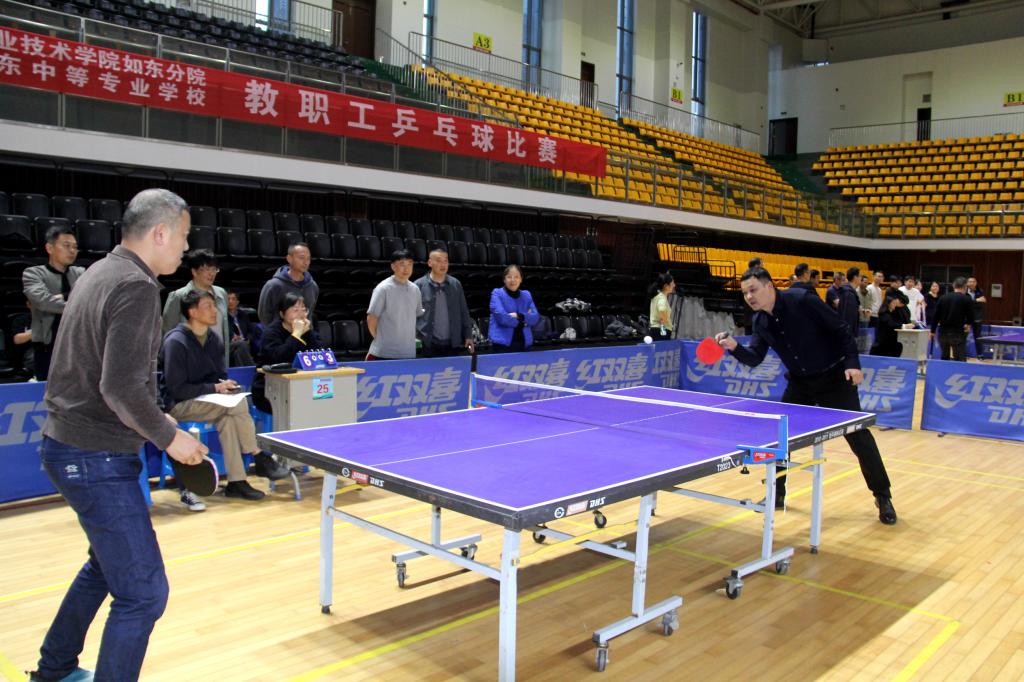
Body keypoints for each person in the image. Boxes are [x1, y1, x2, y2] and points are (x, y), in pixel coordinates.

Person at [31, 189, 208, 682]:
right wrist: (169, 436)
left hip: (69, 445)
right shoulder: (135, 286)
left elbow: (105, 378)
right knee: (144, 594)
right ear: (160, 233)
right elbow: (120, 387)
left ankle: (54, 670)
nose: (186, 247)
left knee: (105, 567)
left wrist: (159, 420)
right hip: (94, 456)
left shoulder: (99, 272)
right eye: (184, 236)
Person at [714, 265, 896, 525]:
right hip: (801, 382)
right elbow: (754, 358)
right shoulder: (760, 321)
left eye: (753, 290)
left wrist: (853, 363)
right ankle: (777, 494)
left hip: (834, 377)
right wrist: (733, 346)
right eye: (744, 293)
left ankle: (883, 495)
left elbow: (841, 328)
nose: (749, 297)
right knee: (780, 437)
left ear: (769, 286)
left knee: (858, 436)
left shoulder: (801, 300)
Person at [160, 288, 289, 509]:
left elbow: (218, 376)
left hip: (210, 402)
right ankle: (258, 455)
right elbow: (176, 388)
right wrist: (215, 387)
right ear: (192, 312)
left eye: (215, 306)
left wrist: (225, 386)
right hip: (178, 405)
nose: (215, 311)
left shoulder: (214, 340)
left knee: (229, 418)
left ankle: (237, 482)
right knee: (237, 405)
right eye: (208, 306)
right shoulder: (176, 342)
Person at [22, 225, 85, 381]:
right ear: (49, 248)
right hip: (46, 345)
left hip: (77, 344)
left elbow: (89, 298)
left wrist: (61, 297)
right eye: (66, 245)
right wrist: (76, 304)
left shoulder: (81, 273)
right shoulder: (33, 273)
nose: (72, 250)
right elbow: (43, 302)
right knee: (47, 389)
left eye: (75, 247)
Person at [162, 249, 235, 367]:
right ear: (194, 271)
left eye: (214, 269)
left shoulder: (221, 294)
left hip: (218, 360)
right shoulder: (178, 296)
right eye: (206, 269)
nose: (211, 273)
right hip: (189, 362)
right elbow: (168, 332)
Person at [251, 293, 321, 415]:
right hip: (269, 388)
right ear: (282, 314)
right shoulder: (271, 333)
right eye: (295, 310)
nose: (300, 314)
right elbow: (279, 359)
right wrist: (296, 335)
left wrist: (307, 333)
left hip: (300, 385)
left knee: (323, 399)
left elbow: (319, 355)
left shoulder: (306, 331)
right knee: (302, 405)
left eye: (304, 310)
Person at [414, 249, 474, 357]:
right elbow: (412, 315)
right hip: (428, 343)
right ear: (430, 263)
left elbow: (463, 312)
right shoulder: (418, 285)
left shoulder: (456, 284)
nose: (443, 264)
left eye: (445, 261)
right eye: (438, 260)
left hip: (452, 343)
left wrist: (468, 335)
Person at [366, 250, 423, 360]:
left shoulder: (415, 289)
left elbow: (415, 316)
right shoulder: (383, 288)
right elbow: (371, 318)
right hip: (384, 353)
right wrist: (380, 340)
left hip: (408, 352)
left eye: (409, 264)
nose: (406, 268)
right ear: (393, 266)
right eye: (402, 264)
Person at [258, 242, 318, 327]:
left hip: (305, 333)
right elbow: (264, 315)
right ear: (289, 259)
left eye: (308, 258)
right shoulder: (273, 285)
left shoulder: (313, 286)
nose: (306, 262)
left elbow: (310, 312)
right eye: (301, 258)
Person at [489, 265, 540, 353]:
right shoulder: (497, 293)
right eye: (509, 277)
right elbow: (502, 318)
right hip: (502, 345)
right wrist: (524, 321)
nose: (513, 280)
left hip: (524, 343)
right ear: (504, 279)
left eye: (516, 277)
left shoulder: (527, 295)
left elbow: (535, 318)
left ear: (521, 279)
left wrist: (518, 316)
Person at [931, 277, 975, 362]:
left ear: (954, 286)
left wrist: (932, 331)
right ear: (965, 287)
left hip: (943, 332)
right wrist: (968, 324)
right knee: (959, 358)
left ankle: (944, 370)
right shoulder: (966, 299)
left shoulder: (943, 298)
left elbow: (936, 316)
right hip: (957, 332)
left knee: (944, 357)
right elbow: (971, 316)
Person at [871, 289, 909, 357]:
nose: (895, 305)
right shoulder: (883, 313)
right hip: (883, 343)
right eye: (893, 303)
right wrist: (904, 326)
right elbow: (891, 324)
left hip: (891, 342)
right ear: (889, 303)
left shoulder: (892, 313)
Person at [226, 290, 259, 366]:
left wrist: (248, 340)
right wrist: (231, 339)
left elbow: (251, 331)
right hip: (230, 345)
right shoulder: (223, 317)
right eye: (228, 299)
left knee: (239, 352)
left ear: (237, 302)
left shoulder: (243, 315)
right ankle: (252, 370)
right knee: (241, 345)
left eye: (233, 299)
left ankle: (244, 372)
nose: (230, 301)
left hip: (244, 343)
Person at [647, 272, 675, 338]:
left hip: (655, 329)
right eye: (672, 283)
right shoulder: (662, 298)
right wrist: (664, 325)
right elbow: (662, 310)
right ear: (666, 286)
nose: (674, 285)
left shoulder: (657, 296)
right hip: (661, 331)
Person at [965, 276, 986, 356]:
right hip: (966, 318)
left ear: (976, 283)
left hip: (977, 317)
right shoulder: (964, 291)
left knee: (978, 337)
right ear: (967, 283)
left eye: (973, 282)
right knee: (964, 336)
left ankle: (980, 354)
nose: (972, 283)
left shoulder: (980, 291)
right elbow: (965, 303)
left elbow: (982, 303)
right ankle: (962, 354)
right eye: (970, 281)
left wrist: (971, 302)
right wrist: (976, 300)